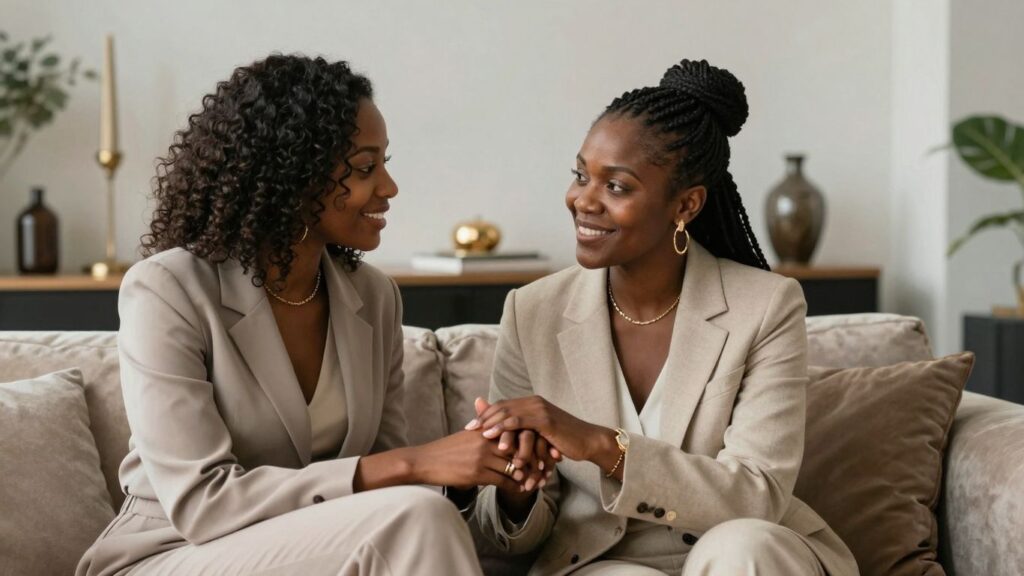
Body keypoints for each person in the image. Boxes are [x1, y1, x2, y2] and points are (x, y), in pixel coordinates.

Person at [76, 54, 537, 576]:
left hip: (316, 554)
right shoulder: (170, 288)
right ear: (293, 174)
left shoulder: (373, 297)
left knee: (420, 514)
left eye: (385, 163)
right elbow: (202, 502)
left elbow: (389, 490)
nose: (389, 187)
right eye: (366, 168)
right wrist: (415, 462)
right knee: (416, 518)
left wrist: (491, 471)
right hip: (172, 553)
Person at [468, 59, 859, 575]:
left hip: (739, 554)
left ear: (687, 204)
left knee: (742, 548)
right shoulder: (533, 311)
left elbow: (757, 494)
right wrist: (519, 492)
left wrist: (603, 445)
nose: (583, 201)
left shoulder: (766, 306)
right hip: (605, 561)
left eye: (617, 187)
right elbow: (509, 537)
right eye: (581, 175)